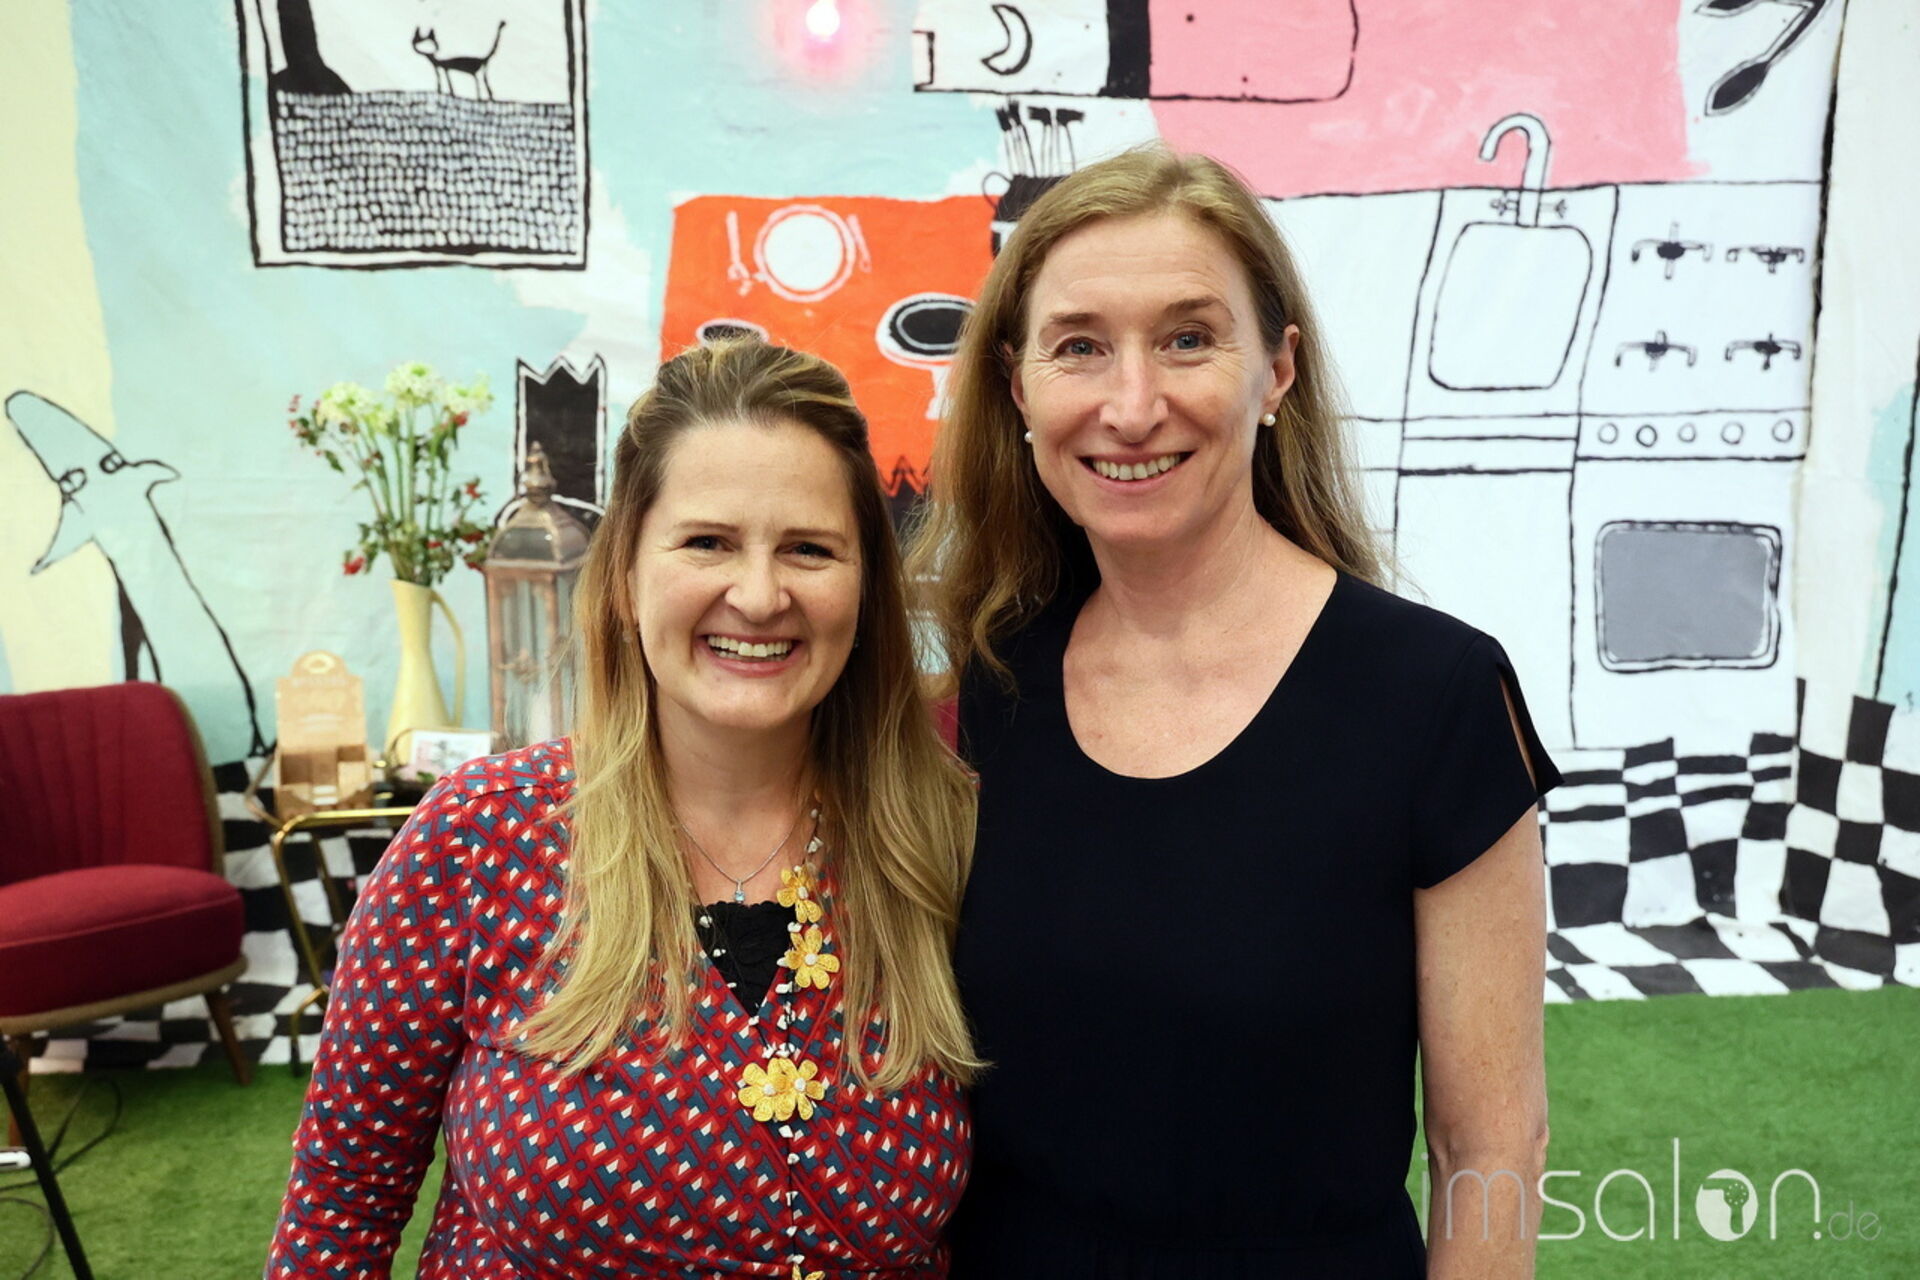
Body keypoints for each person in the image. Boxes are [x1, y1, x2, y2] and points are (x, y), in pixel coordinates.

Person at [908, 146, 1563, 1277]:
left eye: (1187, 338)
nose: (1131, 406)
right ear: (1018, 390)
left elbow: (1492, 1145)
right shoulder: (985, 691)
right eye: (1079, 347)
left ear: (1277, 371)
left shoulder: (1435, 697)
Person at [267, 338, 980, 1279]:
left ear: (865, 588)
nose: (759, 594)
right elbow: (340, 1207)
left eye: (809, 549)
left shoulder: (946, 839)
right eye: (707, 542)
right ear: (625, 576)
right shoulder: (479, 838)